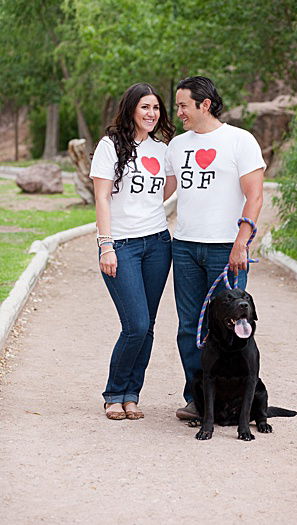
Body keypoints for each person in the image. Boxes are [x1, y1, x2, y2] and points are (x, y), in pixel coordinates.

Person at [164, 76, 265, 420]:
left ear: (204, 104)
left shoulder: (239, 141)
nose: (177, 112)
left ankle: (236, 401)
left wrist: (242, 242)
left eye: (182, 105)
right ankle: (198, 399)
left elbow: (255, 195)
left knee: (235, 325)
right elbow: (161, 192)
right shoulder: (177, 146)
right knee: (189, 326)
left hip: (227, 248)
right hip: (186, 248)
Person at [91, 82, 176, 420]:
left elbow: (168, 187)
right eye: (145, 107)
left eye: (156, 108)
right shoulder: (109, 146)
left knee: (149, 324)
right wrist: (106, 245)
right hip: (121, 246)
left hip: (158, 243)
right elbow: (101, 198)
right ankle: (114, 393)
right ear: (130, 109)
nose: (151, 114)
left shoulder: (162, 148)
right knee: (136, 324)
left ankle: (131, 395)